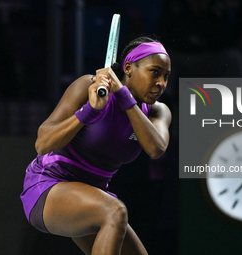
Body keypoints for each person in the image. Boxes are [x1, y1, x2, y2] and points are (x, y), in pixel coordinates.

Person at [20, 36, 172, 255]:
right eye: (154, 72)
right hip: (48, 188)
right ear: (129, 68)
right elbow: (42, 143)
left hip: (91, 197)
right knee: (115, 211)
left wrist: (123, 94)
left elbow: (156, 148)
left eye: (166, 76)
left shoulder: (158, 111)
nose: (161, 83)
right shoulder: (88, 86)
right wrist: (89, 112)